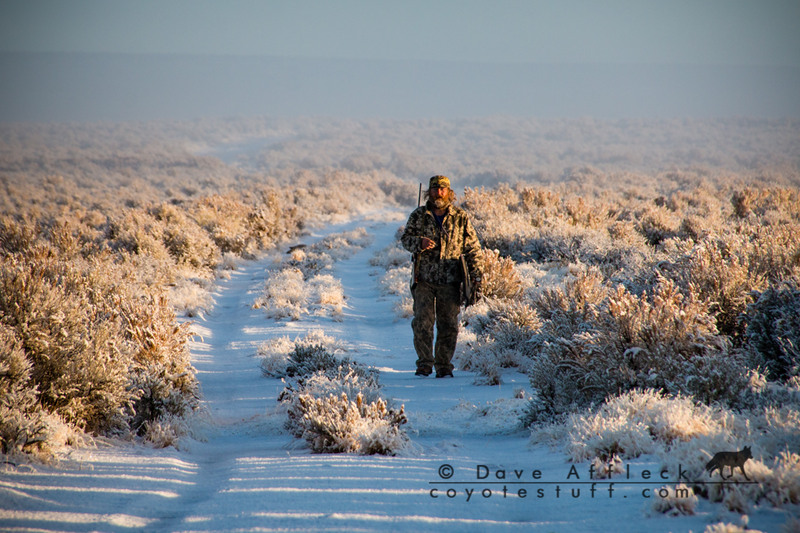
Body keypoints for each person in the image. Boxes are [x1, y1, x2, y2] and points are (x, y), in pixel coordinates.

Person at [401, 175, 483, 378]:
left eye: (443, 189)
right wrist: (418, 243)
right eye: (435, 188)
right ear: (428, 191)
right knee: (422, 323)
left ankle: (444, 366)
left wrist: (476, 276)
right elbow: (405, 240)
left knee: (448, 325)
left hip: (451, 280)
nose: (439, 192)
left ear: (449, 192)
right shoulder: (419, 216)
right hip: (424, 280)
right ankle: (424, 364)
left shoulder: (460, 217)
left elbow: (473, 248)